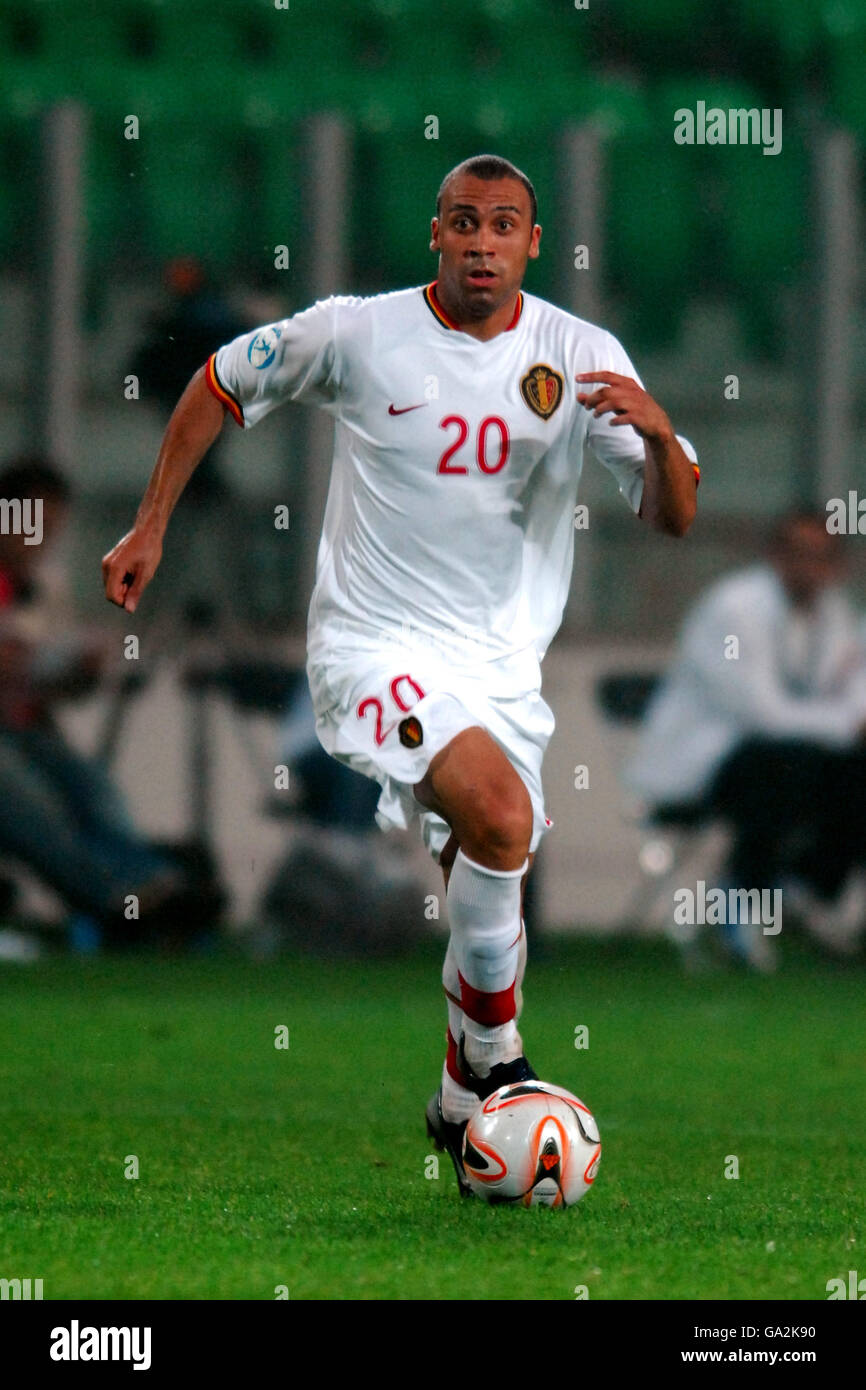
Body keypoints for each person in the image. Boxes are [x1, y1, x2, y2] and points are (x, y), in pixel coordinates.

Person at [102, 154, 698, 1195]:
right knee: (501, 819)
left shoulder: (578, 353)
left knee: (486, 855)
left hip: (502, 670)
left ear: (532, 243)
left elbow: (671, 515)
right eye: (462, 222)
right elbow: (217, 381)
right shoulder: (356, 333)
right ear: (434, 233)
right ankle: (501, 1063)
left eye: (502, 225)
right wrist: (149, 523)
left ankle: (464, 1090)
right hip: (371, 646)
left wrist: (657, 440)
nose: (480, 242)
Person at [626, 509, 866, 959]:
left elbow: (849, 692)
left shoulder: (833, 614)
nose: (809, 567)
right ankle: (743, 893)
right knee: (780, 764)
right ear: (774, 556)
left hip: (785, 762)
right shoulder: (734, 607)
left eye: (821, 557)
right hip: (706, 762)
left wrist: (852, 723)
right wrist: (849, 724)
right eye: (799, 554)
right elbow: (765, 715)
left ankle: (808, 887)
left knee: (853, 769)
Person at [0, 456, 217, 948]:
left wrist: (80, 671)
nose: (40, 541)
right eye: (32, 525)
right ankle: (117, 902)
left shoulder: (42, 588)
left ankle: (154, 885)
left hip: (29, 731)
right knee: (32, 800)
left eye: (51, 530)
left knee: (93, 790)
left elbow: (45, 682)